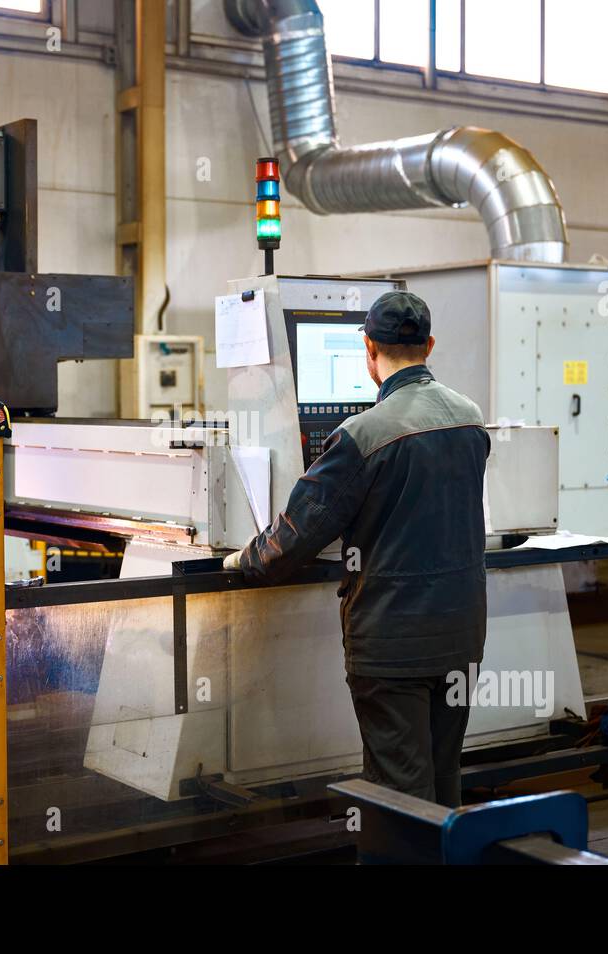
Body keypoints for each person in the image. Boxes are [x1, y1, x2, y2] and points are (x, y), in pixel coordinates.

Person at [223, 290, 490, 807]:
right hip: (461, 635)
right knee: (443, 780)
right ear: (429, 345)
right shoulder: (470, 417)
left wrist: (242, 560)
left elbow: (294, 538)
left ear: (368, 349)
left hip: (393, 644)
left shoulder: (361, 435)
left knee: (400, 793)